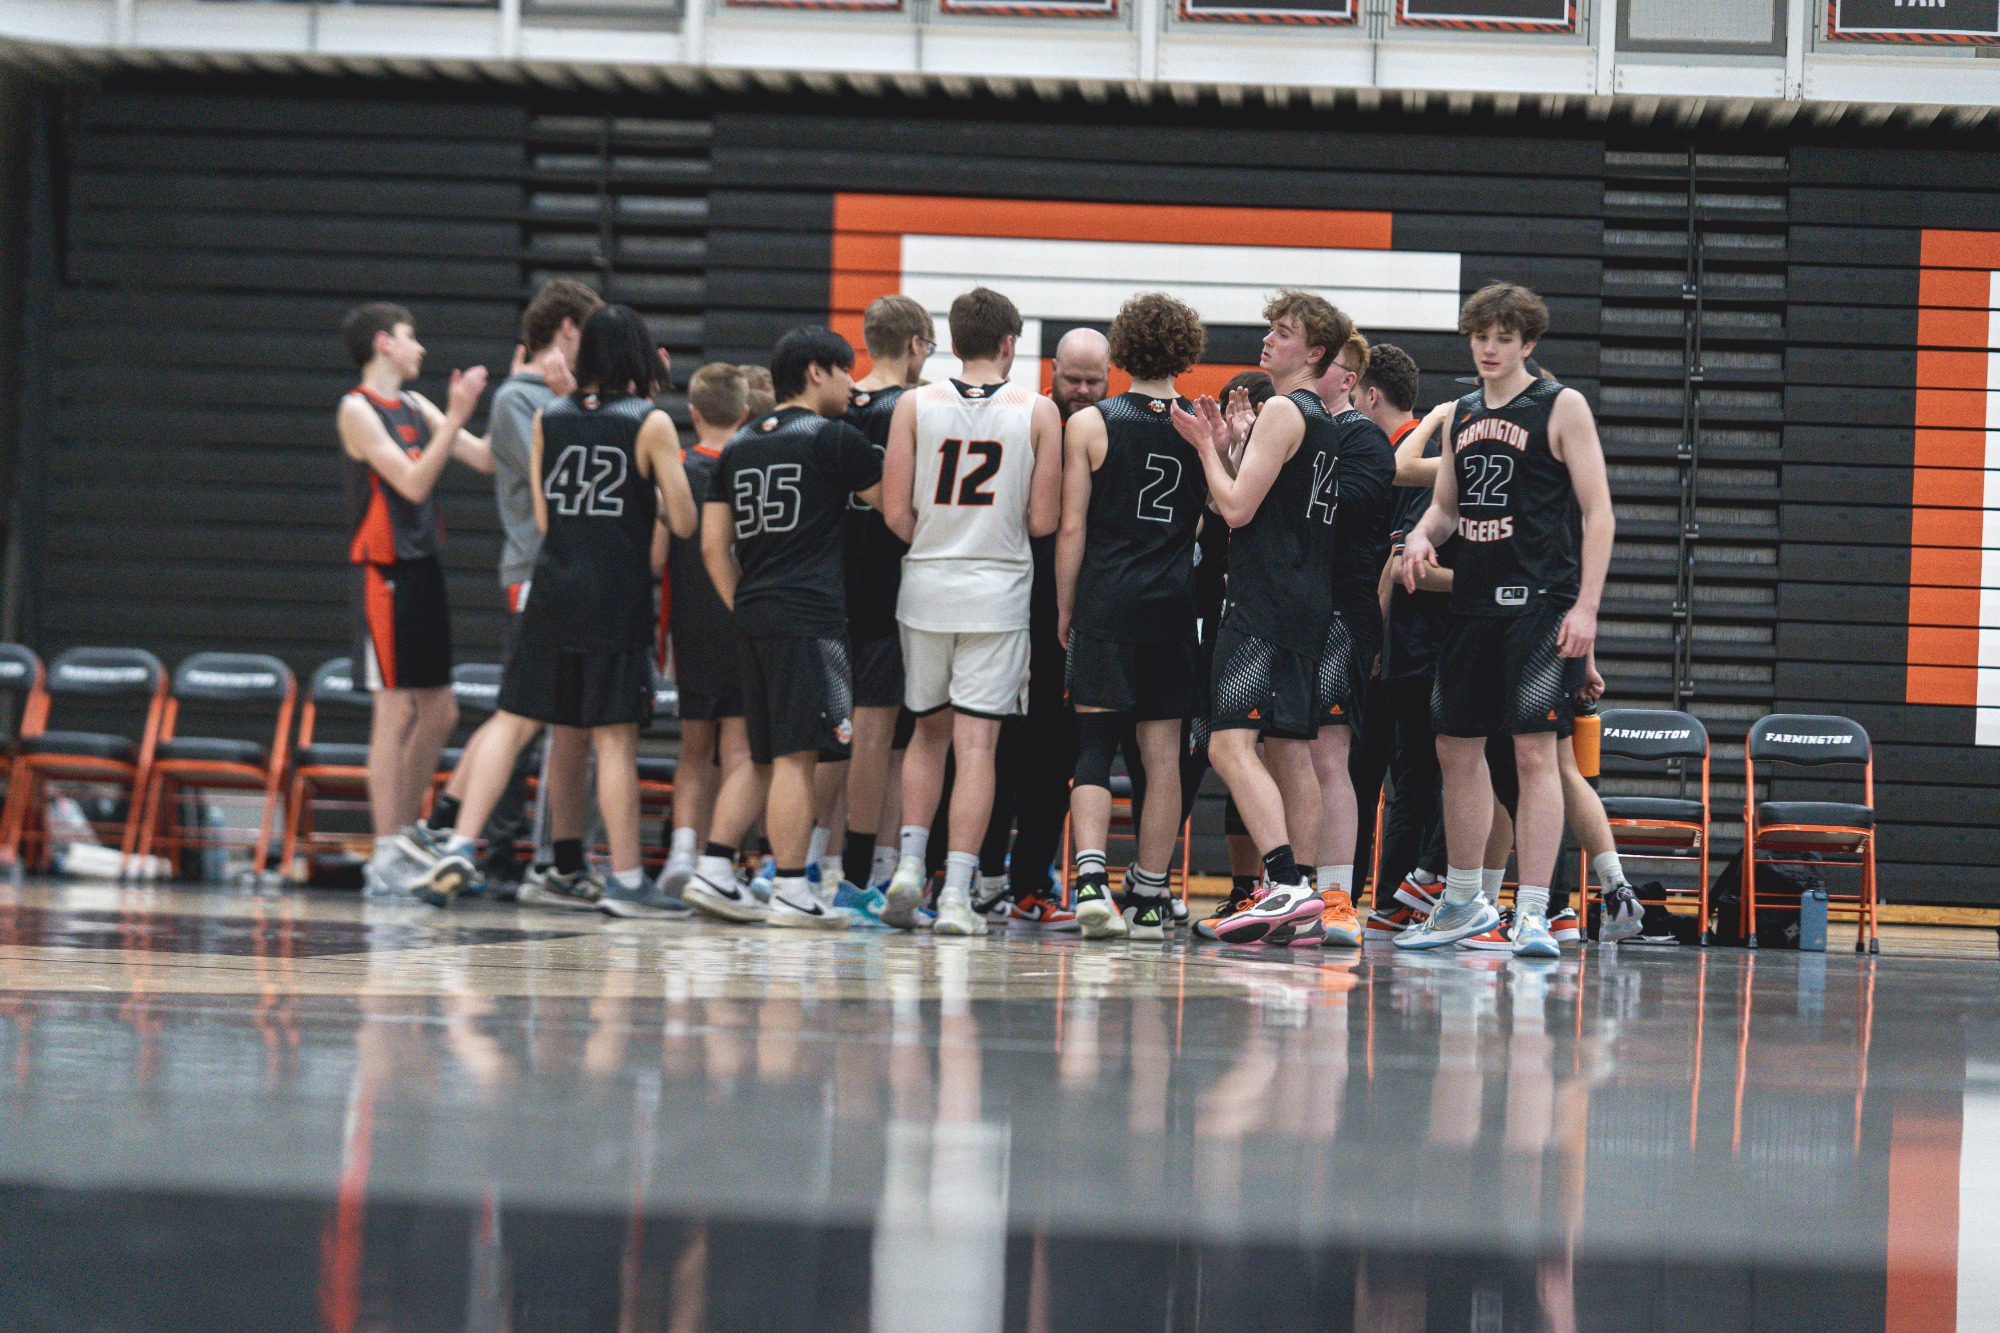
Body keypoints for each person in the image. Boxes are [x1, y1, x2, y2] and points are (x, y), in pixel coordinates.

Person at [402, 305, 698, 912]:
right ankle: (625, 880)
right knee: (613, 741)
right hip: (613, 598)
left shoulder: (548, 418)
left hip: (551, 589)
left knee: (513, 722)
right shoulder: (651, 422)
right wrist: (647, 503)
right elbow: (686, 519)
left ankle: (458, 844)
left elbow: (543, 517)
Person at [1395, 284, 1615, 958]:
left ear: (1527, 343)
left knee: (1532, 753)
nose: (1488, 348)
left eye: (1502, 337)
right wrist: (1421, 538)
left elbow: (1599, 513)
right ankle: (1462, 899)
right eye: (1479, 336)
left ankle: (1536, 908)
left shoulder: (1561, 405)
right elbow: (1446, 507)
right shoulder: (1461, 413)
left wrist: (1586, 608)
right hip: (1472, 603)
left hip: (1540, 605)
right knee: (1454, 748)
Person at [1171, 291, 1362, 945]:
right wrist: (1229, 449)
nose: (1268, 341)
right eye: (1270, 330)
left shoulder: (1283, 409)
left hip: (1262, 602)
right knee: (1289, 751)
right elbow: (1262, 497)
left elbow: (1234, 512)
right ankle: (1303, 890)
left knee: (1228, 744)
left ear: (1313, 352)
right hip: (1308, 601)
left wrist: (1201, 447)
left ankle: (1280, 879)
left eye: (1283, 333)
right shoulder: (1324, 419)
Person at [404, 279, 603, 906]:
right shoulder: (525, 399)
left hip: (568, 577)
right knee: (521, 712)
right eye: (590, 333)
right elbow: (559, 473)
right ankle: (443, 830)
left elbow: (490, 459)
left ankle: (543, 856)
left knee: (550, 719)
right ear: (568, 330)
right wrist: (575, 403)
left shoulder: (549, 396)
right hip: (535, 574)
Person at [688, 326, 885, 928]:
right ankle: (794, 887)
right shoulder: (834, 439)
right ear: (818, 372)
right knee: (800, 757)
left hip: (753, 614)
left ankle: (715, 868)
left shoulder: (741, 443)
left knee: (764, 753)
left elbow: (713, 546)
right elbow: (899, 505)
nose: (855, 384)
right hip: (810, 616)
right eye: (848, 371)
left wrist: (744, 602)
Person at [882, 288, 1063, 935]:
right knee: (978, 744)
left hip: (927, 586)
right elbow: (1044, 519)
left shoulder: (913, 403)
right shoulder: (1038, 411)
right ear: (1010, 344)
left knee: (925, 734)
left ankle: (907, 867)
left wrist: (941, 540)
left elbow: (895, 511)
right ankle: (958, 891)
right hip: (997, 591)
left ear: (953, 341)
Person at [1057, 294, 1208, 942]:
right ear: (1185, 353)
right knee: (1163, 757)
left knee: (1094, 747)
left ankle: (1090, 881)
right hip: (1172, 607)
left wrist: (1065, 603)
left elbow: (1070, 526)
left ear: (1121, 352)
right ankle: (1149, 895)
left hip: (1105, 601)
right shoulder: (1198, 430)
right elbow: (1205, 519)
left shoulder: (1091, 422)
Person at [336, 302, 493, 896]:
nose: (420, 348)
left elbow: (479, 459)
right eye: (411, 337)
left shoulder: (415, 405)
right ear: (383, 343)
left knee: (442, 710)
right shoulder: (358, 410)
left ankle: (405, 835)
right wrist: (454, 416)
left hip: (424, 564)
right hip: (383, 571)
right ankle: (385, 850)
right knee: (395, 709)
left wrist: (528, 401)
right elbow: (412, 481)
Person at [973, 326, 1111, 929]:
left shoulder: (1110, 430)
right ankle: (985, 878)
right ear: (1052, 370)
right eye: (1072, 378)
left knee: (1055, 755)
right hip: (1010, 609)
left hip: (1071, 620)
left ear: (1111, 379)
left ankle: (1031, 881)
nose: (1081, 390)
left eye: (1093, 380)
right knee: (993, 749)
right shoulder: (1026, 420)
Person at [822, 295, 935, 910]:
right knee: (876, 736)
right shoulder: (912, 409)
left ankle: (828, 860)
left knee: (872, 741)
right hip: (891, 588)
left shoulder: (837, 406)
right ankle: (858, 876)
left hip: (832, 584)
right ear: (916, 345)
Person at [1342, 344, 1453, 938]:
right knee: (1370, 775)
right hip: (1400, 646)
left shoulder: (1418, 455)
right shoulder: (1395, 453)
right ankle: (1362, 899)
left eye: (1355, 394)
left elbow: (1396, 562)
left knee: (1406, 779)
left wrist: (1374, 641)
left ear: (1371, 395)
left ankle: (1390, 900)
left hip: (1408, 648)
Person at [654, 363, 753, 901]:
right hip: (739, 619)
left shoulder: (675, 468)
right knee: (738, 753)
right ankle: (723, 861)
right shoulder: (748, 465)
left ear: (691, 414)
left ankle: (682, 851)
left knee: (693, 749)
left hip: (687, 624)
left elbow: (652, 556)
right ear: (744, 413)